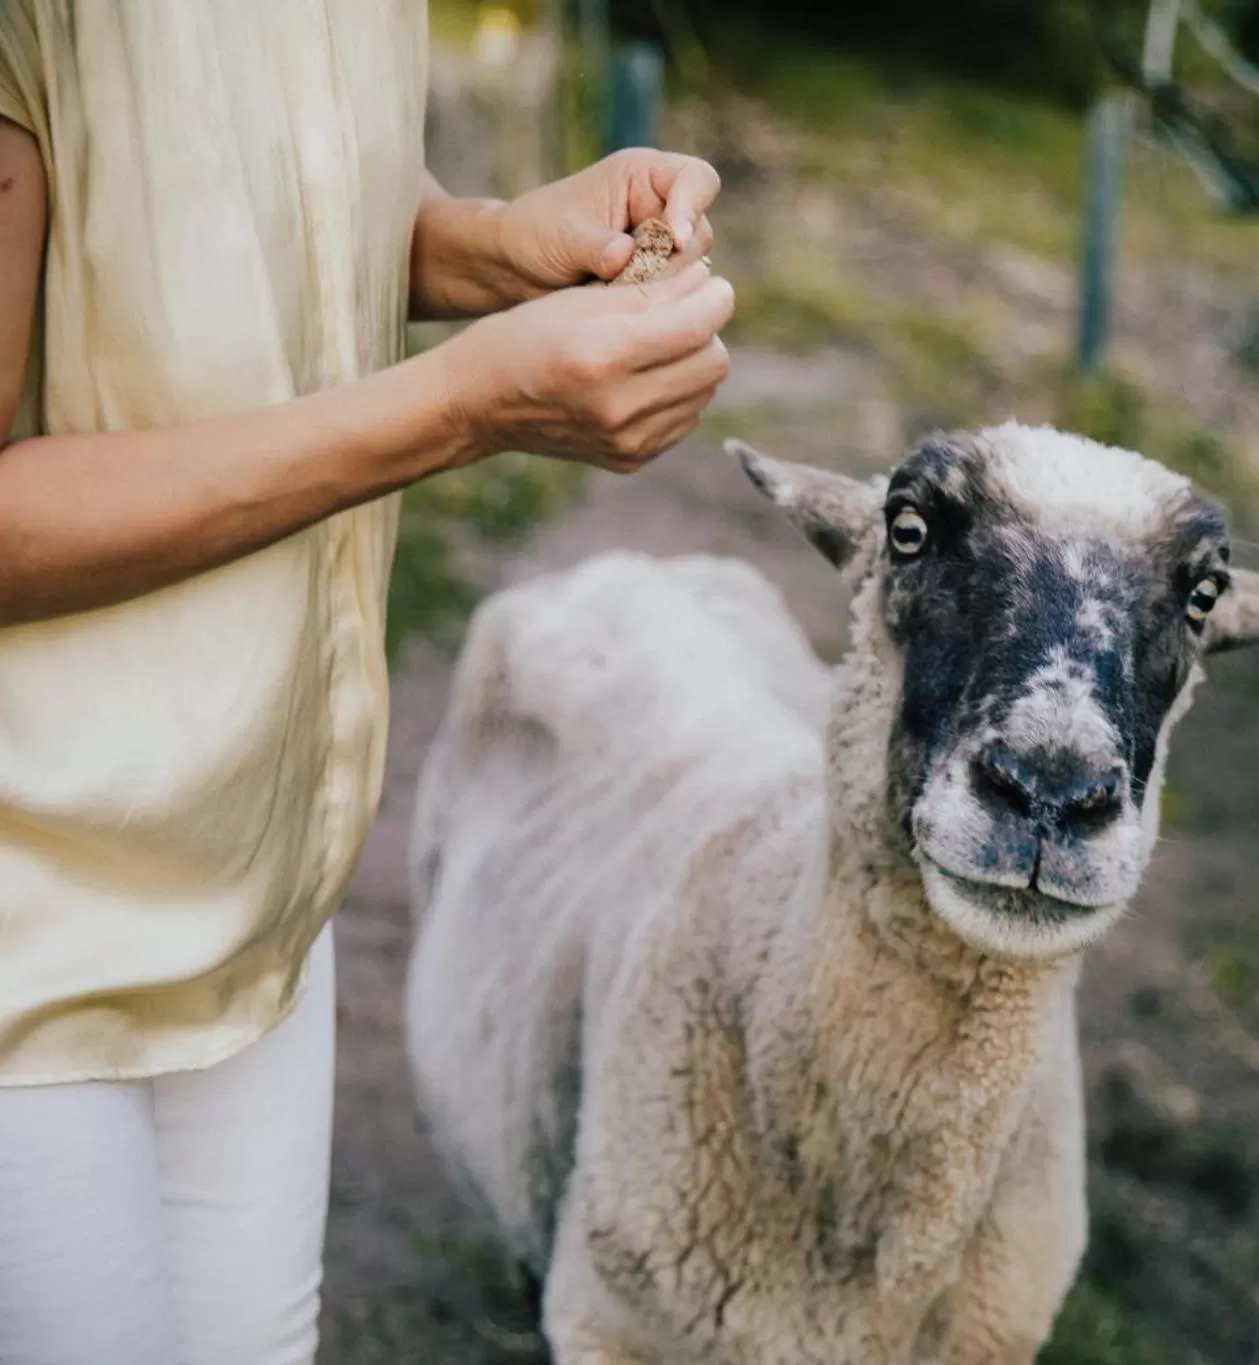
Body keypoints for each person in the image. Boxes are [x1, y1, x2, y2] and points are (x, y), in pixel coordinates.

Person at [0, 4, 734, 1362]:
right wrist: (462, 407)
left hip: (255, 875)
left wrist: (496, 243)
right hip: (31, 928)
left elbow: (251, 188)